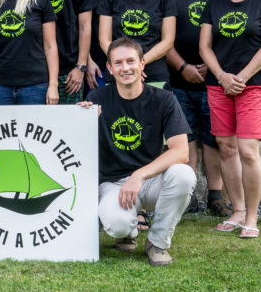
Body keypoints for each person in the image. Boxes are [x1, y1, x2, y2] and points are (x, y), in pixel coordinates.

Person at [80, 37, 195, 266]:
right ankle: (128, 231)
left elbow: (182, 152)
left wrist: (139, 175)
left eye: (131, 61)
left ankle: (157, 242)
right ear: (110, 68)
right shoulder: (96, 98)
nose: (125, 68)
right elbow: (79, 146)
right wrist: (81, 119)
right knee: (117, 224)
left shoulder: (164, 99)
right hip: (112, 182)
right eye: (118, 63)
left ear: (142, 63)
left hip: (149, 180)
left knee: (184, 175)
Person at [199, 0, 261, 239]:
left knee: (247, 151)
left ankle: (252, 216)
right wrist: (222, 77)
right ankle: (236, 210)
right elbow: (204, 47)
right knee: (226, 147)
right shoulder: (214, 4)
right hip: (219, 86)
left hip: (253, 85)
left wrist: (242, 77)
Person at [166, 0, 232, 216]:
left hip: (216, 82)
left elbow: (232, 38)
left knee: (213, 138)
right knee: (186, 137)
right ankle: (189, 194)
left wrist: (213, 68)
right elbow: (164, 40)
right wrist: (183, 67)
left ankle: (215, 196)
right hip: (179, 81)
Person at [99, 0, 176, 89]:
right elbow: (104, 40)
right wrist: (125, 65)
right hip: (119, 74)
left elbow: (168, 41)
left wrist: (138, 64)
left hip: (153, 75)